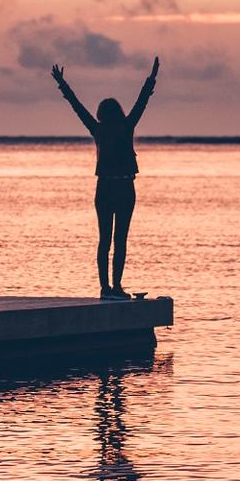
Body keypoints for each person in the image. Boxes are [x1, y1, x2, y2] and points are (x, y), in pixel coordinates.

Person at [51, 56, 159, 300]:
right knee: (119, 240)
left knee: (106, 240)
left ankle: (107, 288)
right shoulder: (125, 125)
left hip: (106, 189)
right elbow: (142, 103)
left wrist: (63, 84)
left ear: (101, 114)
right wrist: (151, 78)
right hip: (123, 187)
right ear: (117, 112)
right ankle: (114, 287)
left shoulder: (99, 128)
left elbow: (77, 106)